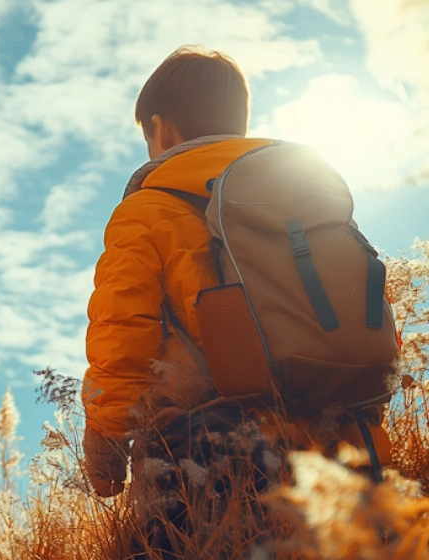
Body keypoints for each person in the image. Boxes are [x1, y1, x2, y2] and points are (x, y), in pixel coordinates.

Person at [81, 46, 396, 550]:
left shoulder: (148, 209)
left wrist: (107, 428)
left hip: (208, 448)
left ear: (161, 130)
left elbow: (122, 326)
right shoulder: (304, 197)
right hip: (342, 444)